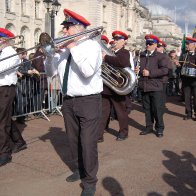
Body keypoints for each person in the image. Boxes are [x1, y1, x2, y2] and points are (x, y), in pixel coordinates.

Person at [44, 9, 103, 196]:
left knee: (88, 143)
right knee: (73, 140)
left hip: (89, 100)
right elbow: (51, 73)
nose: (64, 32)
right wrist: (49, 56)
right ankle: (79, 169)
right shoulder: (63, 49)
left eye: (67, 28)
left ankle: (90, 181)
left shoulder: (91, 46)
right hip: (68, 100)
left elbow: (87, 71)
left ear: (78, 28)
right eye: (65, 28)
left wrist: (72, 48)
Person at [0, 28, 27, 167]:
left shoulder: (10, 53)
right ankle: (19, 142)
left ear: (4, 40)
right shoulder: (3, 52)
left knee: (1, 121)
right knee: (5, 118)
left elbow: (1, 68)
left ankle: (4, 153)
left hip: (5, 89)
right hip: (2, 88)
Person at [98, 30, 130, 142]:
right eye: (114, 39)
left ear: (123, 42)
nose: (115, 41)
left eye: (117, 40)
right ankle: (99, 133)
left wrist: (106, 58)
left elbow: (122, 62)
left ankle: (123, 132)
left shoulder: (125, 53)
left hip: (117, 87)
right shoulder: (110, 51)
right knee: (103, 111)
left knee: (121, 112)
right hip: (106, 87)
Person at [135, 34, 168, 138]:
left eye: (150, 43)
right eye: (147, 43)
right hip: (144, 85)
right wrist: (138, 71)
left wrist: (150, 73)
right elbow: (141, 69)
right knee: (147, 108)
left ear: (155, 45)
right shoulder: (142, 54)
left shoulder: (161, 56)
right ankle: (148, 127)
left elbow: (165, 70)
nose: (148, 45)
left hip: (156, 86)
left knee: (157, 109)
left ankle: (159, 128)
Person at [179, 37, 196, 120]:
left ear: (194, 45)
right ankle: (188, 114)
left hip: (195, 80)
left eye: (188, 44)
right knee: (187, 97)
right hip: (186, 79)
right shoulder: (184, 55)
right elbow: (182, 65)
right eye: (186, 44)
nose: (186, 46)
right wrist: (179, 64)